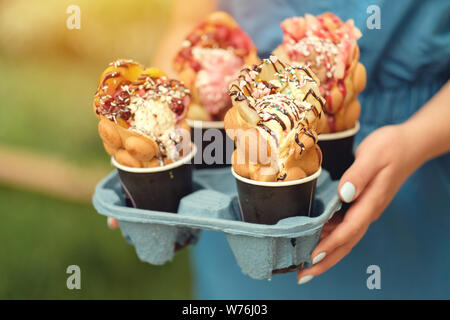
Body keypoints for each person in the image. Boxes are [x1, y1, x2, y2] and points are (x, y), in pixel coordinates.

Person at [148, 0, 450, 299]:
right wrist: (159, 131)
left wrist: (414, 141)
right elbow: (188, 24)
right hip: (241, 172)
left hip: (416, 177)